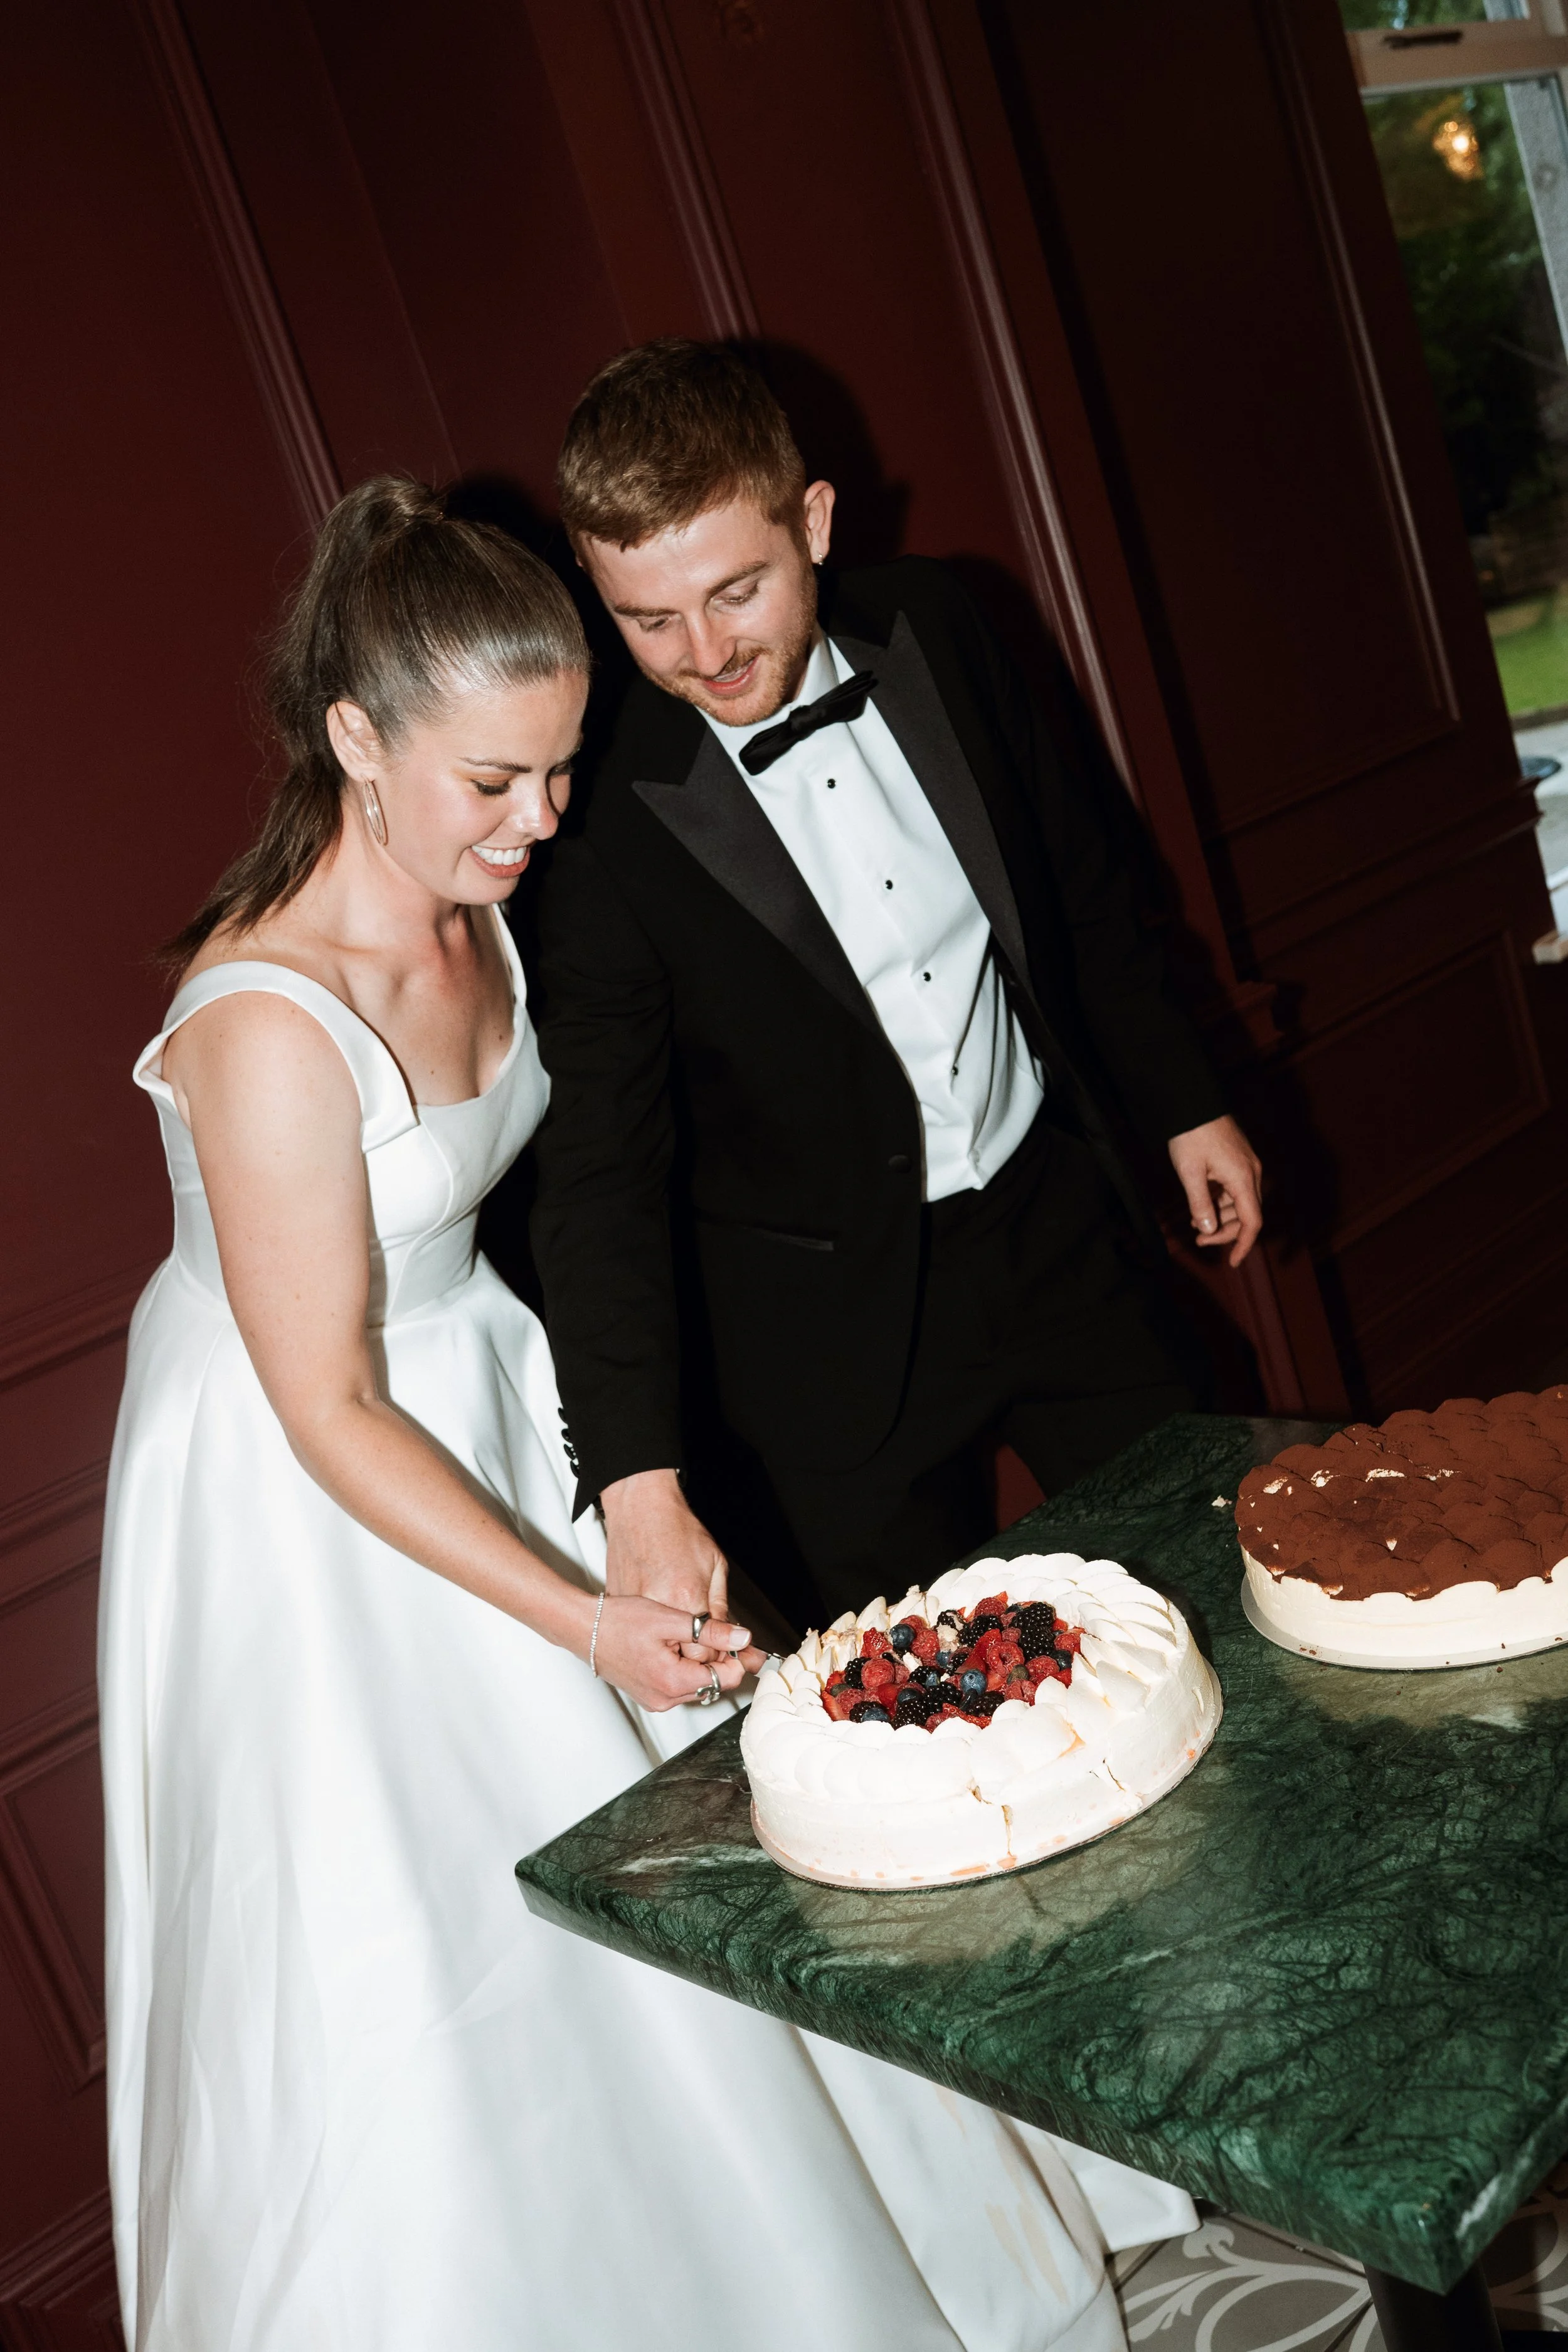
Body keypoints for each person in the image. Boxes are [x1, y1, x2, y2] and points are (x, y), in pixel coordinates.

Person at [99, 475, 1177, 2352]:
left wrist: (632, 1477)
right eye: (493, 783)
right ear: (354, 736)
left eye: (562, 771)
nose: (543, 822)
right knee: (458, 1961)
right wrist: (583, 1606)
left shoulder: (492, 898)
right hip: (326, 1505)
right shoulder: (264, 1027)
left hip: (498, 1388)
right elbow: (328, 1408)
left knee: (700, 1875)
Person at [531, 339, 1264, 1635]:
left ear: (811, 522)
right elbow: (596, 1168)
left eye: (735, 590)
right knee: (931, 1723)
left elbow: (1083, 886)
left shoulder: (942, 623)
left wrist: (1183, 1101)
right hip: (824, 1351)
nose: (702, 652)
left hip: (1055, 1231)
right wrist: (634, 1482)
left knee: (1220, 1574)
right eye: (646, 619)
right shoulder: (594, 821)